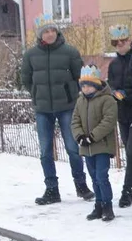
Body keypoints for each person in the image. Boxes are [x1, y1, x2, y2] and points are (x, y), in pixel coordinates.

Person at [21, 13, 94, 205]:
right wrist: (36, 93)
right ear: (40, 34)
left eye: (53, 30)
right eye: (46, 31)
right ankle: (51, 189)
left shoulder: (69, 52)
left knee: (72, 148)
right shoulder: (30, 55)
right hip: (43, 109)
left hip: (66, 107)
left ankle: (81, 185)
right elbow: (26, 79)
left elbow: (81, 77)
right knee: (45, 151)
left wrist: (73, 94)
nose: (50, 34)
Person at [106, 24, 132, 208]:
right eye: (116, 43)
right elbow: (111, 84)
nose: (120, 45)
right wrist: (115, 93)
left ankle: (126, 190)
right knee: (129, 151)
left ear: (129, 41)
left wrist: (129, 95)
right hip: (122, 112)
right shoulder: (114, 64)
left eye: (122, 41)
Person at [72, 64, 119, 222]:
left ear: (96, 85)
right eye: (83, 86)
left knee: (101, 176)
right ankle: (98, 205)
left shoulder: (107, 100)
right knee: (93, 177)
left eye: (88, 86)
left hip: (101, 146)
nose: (85, 89)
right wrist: (80, 136)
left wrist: (92, 136)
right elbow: (75, 121)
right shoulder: (80, 101)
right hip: (87, 148)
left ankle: (107, 205)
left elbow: (108, 121)